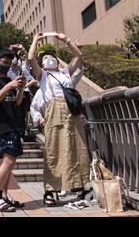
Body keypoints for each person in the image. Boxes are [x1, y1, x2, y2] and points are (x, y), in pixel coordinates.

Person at [27, 32, 91, 207]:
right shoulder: (43, 76)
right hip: (53, 111)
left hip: (72, 113)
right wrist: (35, 40)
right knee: (53, 150)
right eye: (45, 58)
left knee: (76, 148)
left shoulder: (65, 72)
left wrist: (66, 40)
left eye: (51, 56)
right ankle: (50, 190)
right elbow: (31, 58)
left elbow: (79, 55)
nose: (49, 59)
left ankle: (79, 186)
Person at [0, 49, 26, 212]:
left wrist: (21, 89)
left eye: (10, 64)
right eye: (4, 63)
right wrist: (9, 86)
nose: (7, 66)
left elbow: (16, 103)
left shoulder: (8, 79)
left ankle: (4, 195)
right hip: (2, 124)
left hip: (14, 123)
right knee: (8, 160)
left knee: (11, 162)